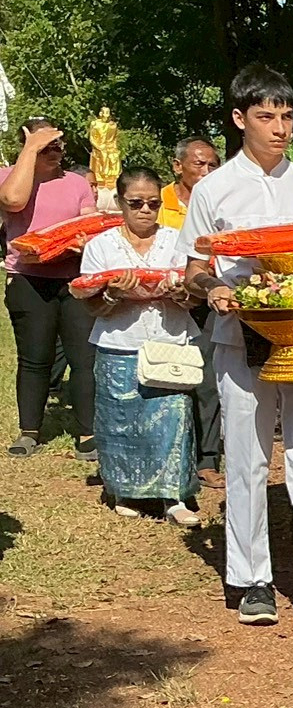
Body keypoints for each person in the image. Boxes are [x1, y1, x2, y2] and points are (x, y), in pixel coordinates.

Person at [178, 64, 293, 637]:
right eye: (266, 116)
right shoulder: (213, 189)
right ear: (239, 119)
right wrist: (218, 290)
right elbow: (192, 271)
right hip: (241, 334)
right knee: (249, 458)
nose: (279, 128)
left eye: (286, 116)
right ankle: (252, 578)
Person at [79, 166, 201, 526]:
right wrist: (114, 295)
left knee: (173, 419)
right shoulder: (101, 246)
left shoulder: (177, 240)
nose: (145, 211)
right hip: (119, 342)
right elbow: (90, 303)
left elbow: (193, 297)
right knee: (121, 421)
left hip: (170, 341)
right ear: (120, 203)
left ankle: (174, 495)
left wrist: (182, 293)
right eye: (136, 203)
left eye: (152, 203)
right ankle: (124, 489)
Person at [1, 116, 98, 459]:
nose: (56, 151)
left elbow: (90, 219)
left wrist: (85, 240)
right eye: (47, 146)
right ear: (27, 144)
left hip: (73, 280)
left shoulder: (76, 183)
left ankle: (88, 432)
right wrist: (31, 147)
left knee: (84, 358)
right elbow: (12, 201)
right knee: (35, 358)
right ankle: (30, 430)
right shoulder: (7, 177)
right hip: (28, 279)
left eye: (59, 144)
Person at [158, 137, 225, 491]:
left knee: (209, 380)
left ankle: (208, 457)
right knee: (166, 376)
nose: (207, 171)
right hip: (164, 301)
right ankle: (168, 452)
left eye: (213, 165)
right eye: (199, 164)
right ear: (177, 166)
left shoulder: (220, 201)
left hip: (209, 297)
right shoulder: (157, 202)